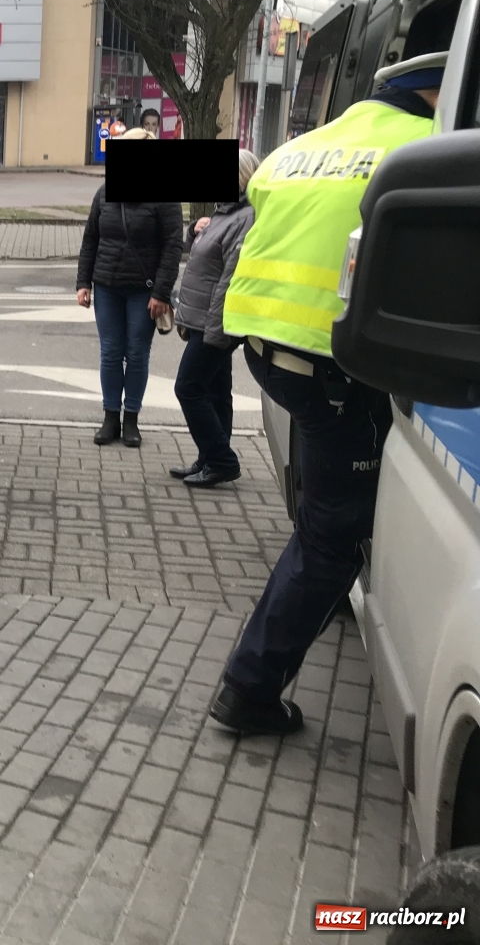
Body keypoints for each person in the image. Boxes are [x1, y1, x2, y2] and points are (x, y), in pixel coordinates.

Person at [209, 52, 445, 736]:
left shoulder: (302, 148)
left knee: (327, 499)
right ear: (435, 94)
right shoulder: (429, 144)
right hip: (331, 364)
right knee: (332, 535)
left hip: (265, 346)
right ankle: (248, 691)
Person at [76, 127, 182, 448]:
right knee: (110, 352)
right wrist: (83, 283)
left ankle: (131, 419)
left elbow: (173, 246)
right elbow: (91, 239)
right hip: (106, 285)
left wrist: (161, 293)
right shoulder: (104, 192)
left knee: (136, 354)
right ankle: (110, 417)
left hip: (144, 291)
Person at [169, 147, 262, 487]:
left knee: (189, 387)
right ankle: (210, 457)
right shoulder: (226, 212)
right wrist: (195, 229)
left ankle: (221, 459)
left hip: (216, 320)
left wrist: (216, 329)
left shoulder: (245, 216)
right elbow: (203, 251)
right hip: (203, 318)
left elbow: (230, 278)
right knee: (216, 392)